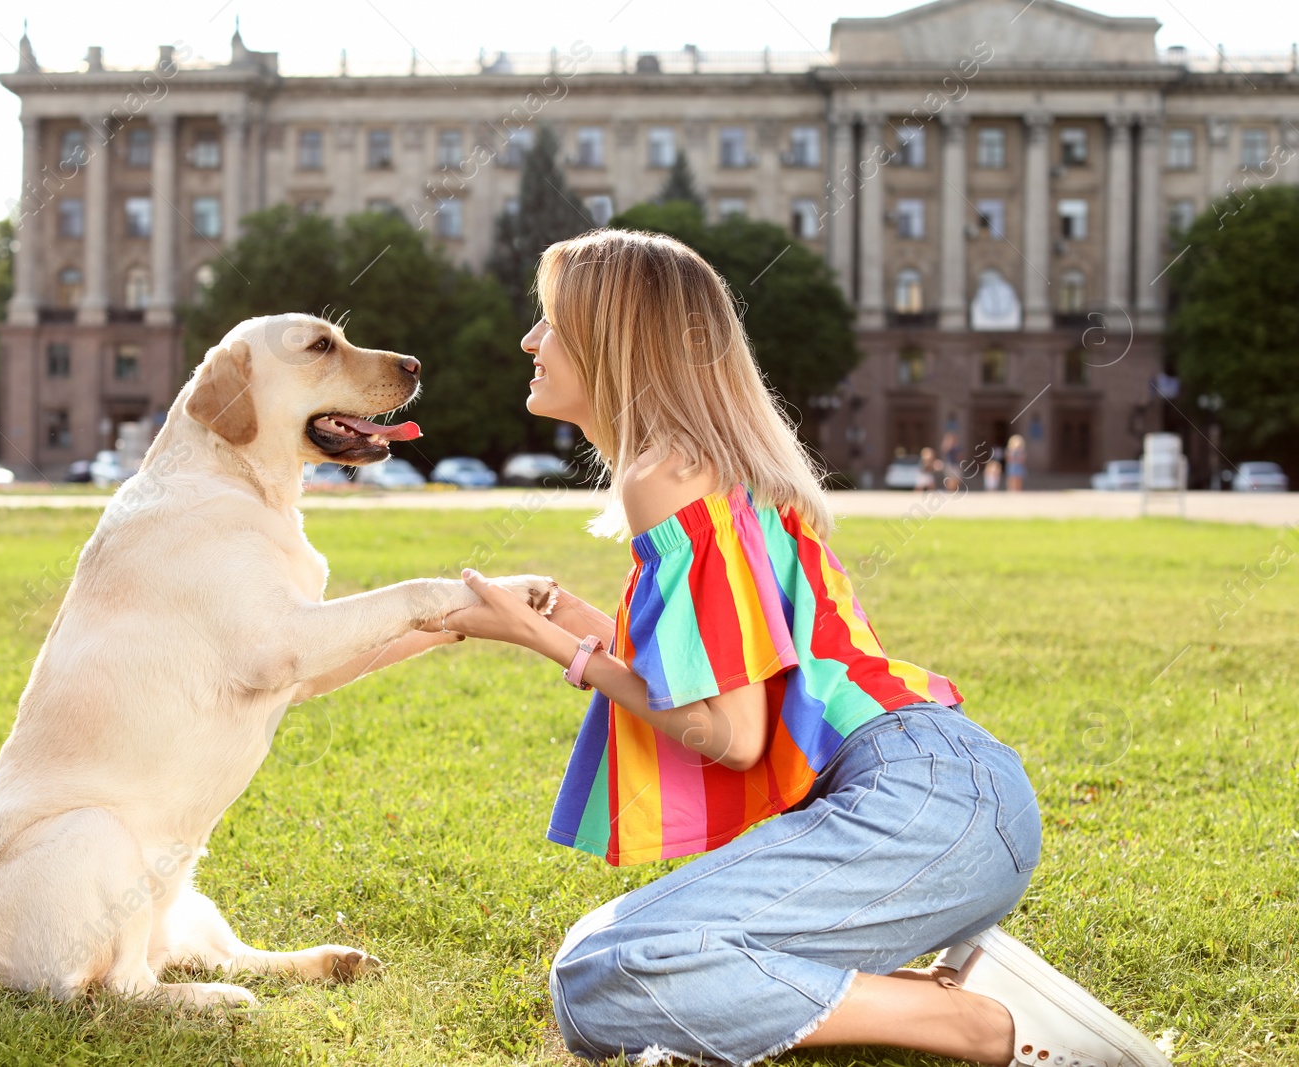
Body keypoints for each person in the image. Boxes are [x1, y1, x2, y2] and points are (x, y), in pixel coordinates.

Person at [441, 231, 1167, 1067]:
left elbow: (732, 728)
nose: (531, 341)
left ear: (616, 340)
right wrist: (575, 619)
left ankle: (979, 1022)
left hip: (914, 801)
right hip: (953, 794)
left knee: (597, 973)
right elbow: (731, 671)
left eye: (551, 323)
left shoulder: (665, 475)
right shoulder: (709, 467)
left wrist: (547, 642)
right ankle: (899, 995)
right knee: (609, 961)